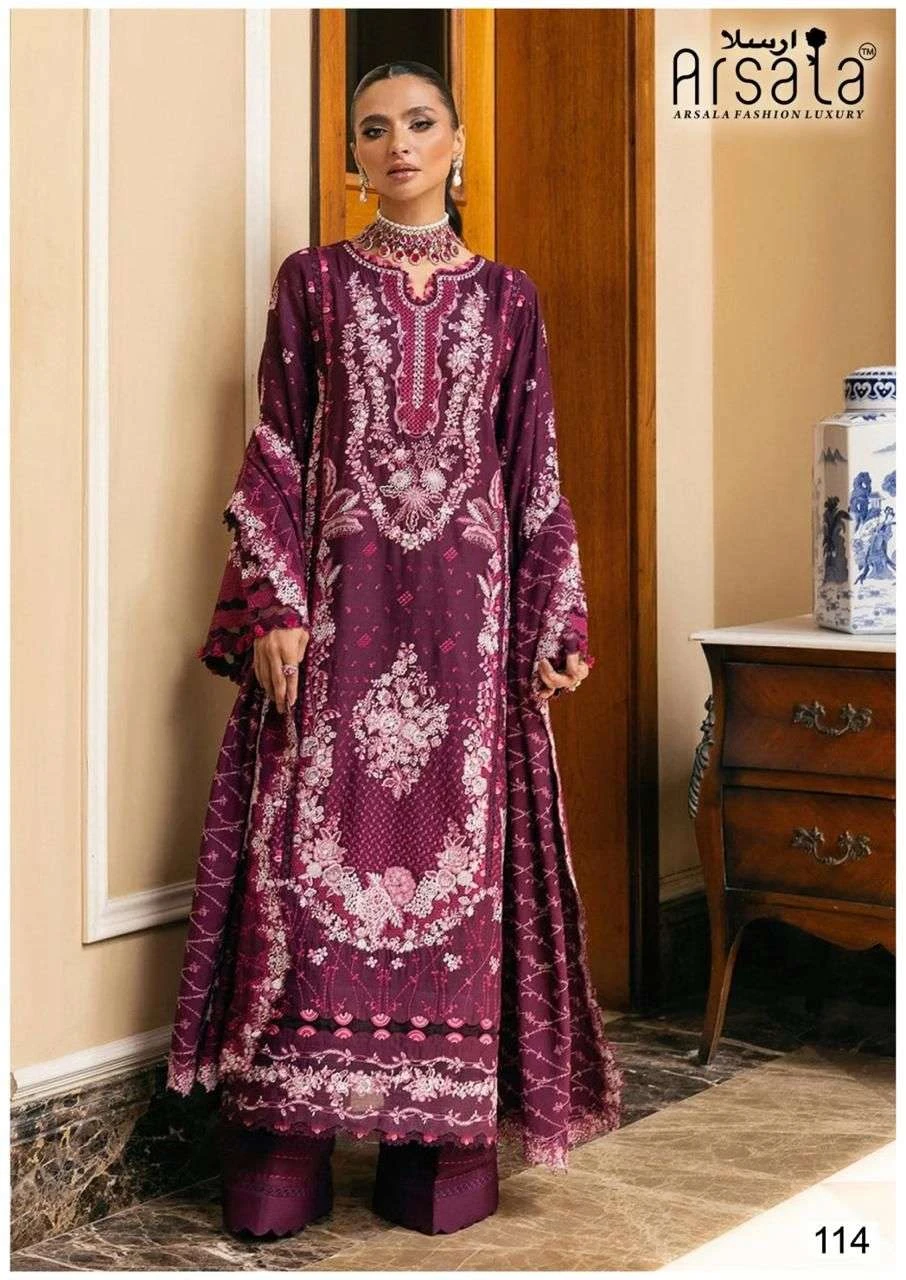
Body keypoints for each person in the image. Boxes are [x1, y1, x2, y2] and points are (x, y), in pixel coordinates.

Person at [166, 59, 623, 1239]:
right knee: (308, 867)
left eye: (420, 123)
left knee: (461, 872)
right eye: (374, 130)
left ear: (457, 142)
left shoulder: (509, 299)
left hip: (468, 635)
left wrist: (559, 618)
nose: (398, 144)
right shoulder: (312, 282)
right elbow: (277, 445)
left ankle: (441, 1163)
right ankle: (284, 1158)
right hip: (339, 615)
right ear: (353, 154)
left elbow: (534, 467)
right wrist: (274, 603)